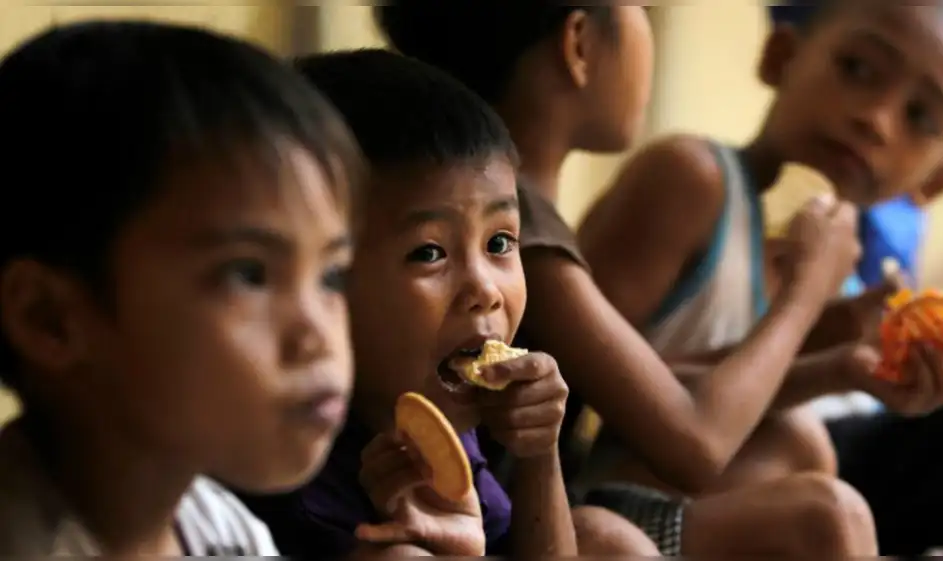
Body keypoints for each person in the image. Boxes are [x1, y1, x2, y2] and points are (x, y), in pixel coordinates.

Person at [372, 3, 878, 558]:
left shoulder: (524, 226)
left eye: (500, 244)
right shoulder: (529, 235)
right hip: (563, 521)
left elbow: (650, 384)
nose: (485, 282)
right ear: (580, 43)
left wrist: (844, 360)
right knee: (824, 518)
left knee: (797, 446)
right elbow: (695, 446)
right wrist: (807, 287)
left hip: (545, 512)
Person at [578, 1, 943, 555]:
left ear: (936, 181)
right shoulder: (694, 181)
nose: (875, 119)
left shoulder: (855, 287)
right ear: (781, 56)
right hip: (625, 509)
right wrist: (805, 300)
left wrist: (846, 356)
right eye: (856, 69)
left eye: (919, 117)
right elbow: (581, 388)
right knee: (794, 443)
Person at [239, 48, 662, 557]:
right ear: (325, 280)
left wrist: (538, 453)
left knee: (607, 538)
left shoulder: (439, 418)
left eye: (500, 243)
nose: (484, 289)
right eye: (429, 252)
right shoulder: (299, 475)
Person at [0, 21, 359, 556]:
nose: (317, 336)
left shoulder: (224, 533)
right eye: (248, 275)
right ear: (49, 317)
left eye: (331, 277)